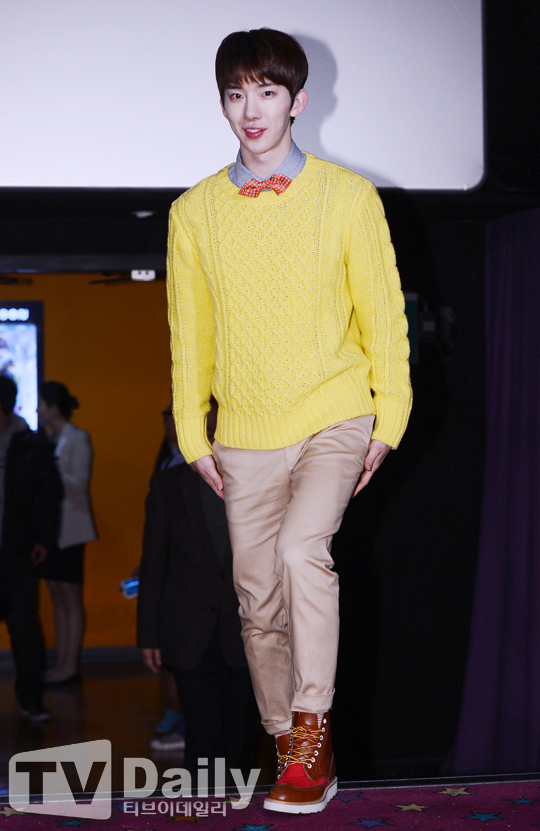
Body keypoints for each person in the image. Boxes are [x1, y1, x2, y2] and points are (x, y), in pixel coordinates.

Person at [166, 28, 412, 814]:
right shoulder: (194, 212)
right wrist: (192, 434)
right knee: (256, 599)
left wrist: (390, 417)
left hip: (335, 413)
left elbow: (383, 319)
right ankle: (291, 745)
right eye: (236, 93)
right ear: (222, 103)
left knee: (304, 551)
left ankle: (311, 728)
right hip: (243, 430)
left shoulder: (349, 197)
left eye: (267, 92)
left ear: (298, 100)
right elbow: (190, 336)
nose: (252, 109)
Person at [137, 398, 256, 784]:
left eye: (217, 426)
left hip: (247, 627)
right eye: (204, 428)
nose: (211, 434)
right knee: (201, 738)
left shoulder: (257, 481)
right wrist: (148, 634)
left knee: (241, 736)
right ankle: (203, 805)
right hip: (189, 628)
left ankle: (240, 806)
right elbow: (154, 562)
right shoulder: (171, 484)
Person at [0, 376, 63, 720]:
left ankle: (31, 698)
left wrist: (44, 539)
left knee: (24, 627)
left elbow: (48, 493)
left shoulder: (29, 442)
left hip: (17, 549)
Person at [37, 381, 97, 684]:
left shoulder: (77, 437)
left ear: (53, 408)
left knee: (70, 601)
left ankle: (70, 666)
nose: (37, 411)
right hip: (51, 530)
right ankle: (61, 663)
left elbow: (79, 484)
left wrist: (52, 467)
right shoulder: (48, 439)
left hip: (71, 529)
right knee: (57, 599)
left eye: (40, 405)